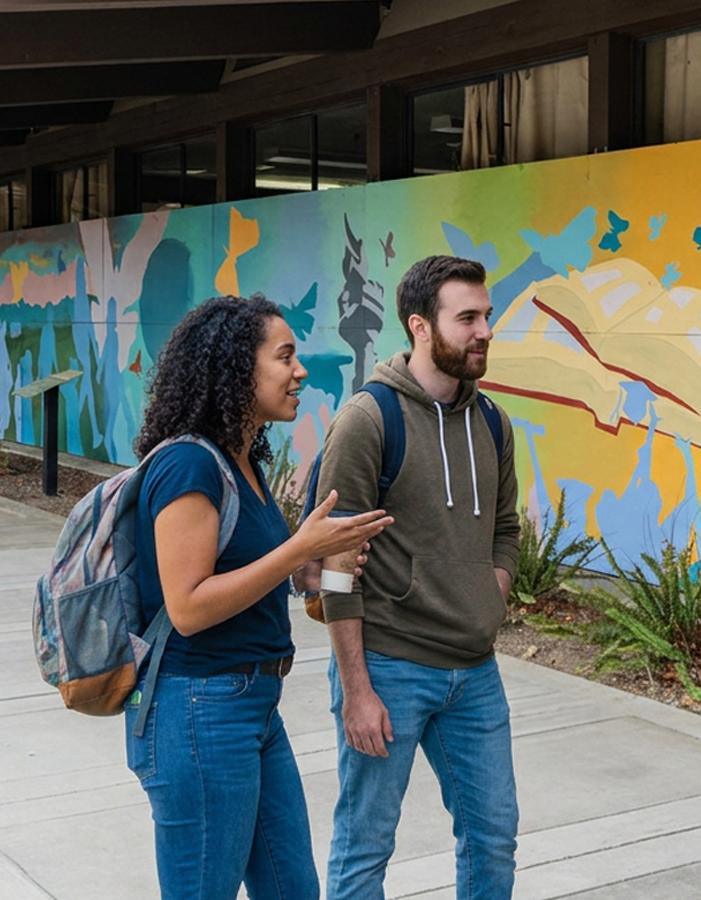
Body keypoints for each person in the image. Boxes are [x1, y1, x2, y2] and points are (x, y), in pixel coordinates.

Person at [125, 295, 392, 900]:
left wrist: (315, 567)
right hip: (198, 709)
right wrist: (298, 550)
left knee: (293, 889)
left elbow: (250, 572)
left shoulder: (238, 459)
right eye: (285, 356)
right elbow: (189, 606)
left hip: (252, 704)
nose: (300, 371)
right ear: (235, 369)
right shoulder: (190, 465)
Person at [313, 255, 522, 900]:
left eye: (487, 315)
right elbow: (335, 564)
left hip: (475, 672)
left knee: (494, 836)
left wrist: (488, 597)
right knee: (367, 844)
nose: (485, 329)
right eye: (467, 318)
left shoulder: (492, 421)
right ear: (420, 327)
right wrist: (356, 689)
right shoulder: (369, 419)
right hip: (390, 666)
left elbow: (507, 530)